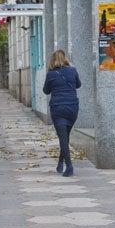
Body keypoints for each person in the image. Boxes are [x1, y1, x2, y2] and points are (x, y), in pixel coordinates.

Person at [42, 49, 81, 177]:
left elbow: (46, 91)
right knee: (65, 137)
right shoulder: (73, 70)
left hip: (58, 108)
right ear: (65, 58)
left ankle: (69, 166)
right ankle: (60, 162)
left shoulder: (51, 74)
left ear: (52, 60)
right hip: (72, 108)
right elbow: (78, 85)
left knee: (63, 138)